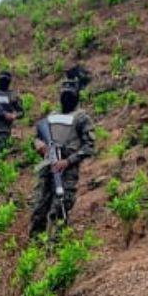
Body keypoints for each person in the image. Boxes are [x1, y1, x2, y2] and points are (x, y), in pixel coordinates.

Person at [29, 84, 95, 236]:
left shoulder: (82, 118)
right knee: (39, 207)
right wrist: (38, 144)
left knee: (60, 207)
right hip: (48, 166)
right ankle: (35, 245)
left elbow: (89, 146)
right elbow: (37, 137)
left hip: (67, 170)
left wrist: (68, 161)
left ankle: (56, 246)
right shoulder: (52, 116)